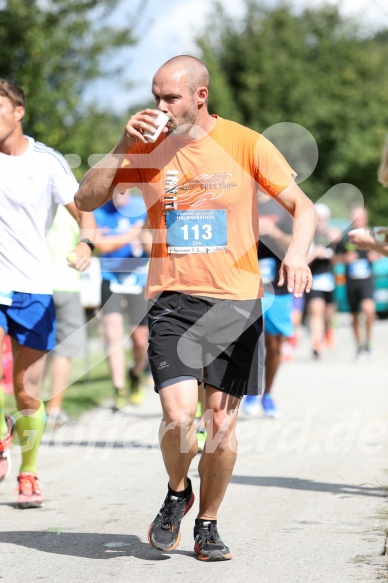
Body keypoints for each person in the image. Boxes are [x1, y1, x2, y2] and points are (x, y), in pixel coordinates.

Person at [74, 55, 315, 561]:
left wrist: (295, 252)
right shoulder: (146, 146)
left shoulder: (246, 142)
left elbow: (304, 207)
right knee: (178, 418)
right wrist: (123, 145)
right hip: (173, 299)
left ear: (200, 96)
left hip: (235, 301)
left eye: (171, 97)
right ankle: (178, 490)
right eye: (155, 95)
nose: (159, 105)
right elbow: (88, 198)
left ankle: (207, 522)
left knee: (222, 427)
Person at [0, 79, 94, 508]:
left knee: (26, 392)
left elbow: (83, 210)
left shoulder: (47, 161)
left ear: (19, 111)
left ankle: (28, 471)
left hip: (33, 287)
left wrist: (85, 243)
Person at [93, 189, 150, 409]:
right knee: (112, 330)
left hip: (138, 278)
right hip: (110, 277)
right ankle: (118, 388)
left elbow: (152, 244)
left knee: (140, 339)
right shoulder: (99, 212)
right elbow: (103, 245)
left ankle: (135, 374)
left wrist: (143, 239)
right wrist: (134, 233)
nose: (119, 196)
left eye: (123, 191)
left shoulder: (143, 207)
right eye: (114, 192)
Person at [242, 192, 294, 419]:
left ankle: (268, 395)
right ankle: (251, 391)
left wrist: (275, 232)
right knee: (251, 339)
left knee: (274, 343)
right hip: (246, 284)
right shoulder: (240, 203)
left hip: (278, 286)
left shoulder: (283, 209)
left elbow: (295, 247)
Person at [44, 205, 88, 427]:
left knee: (37, 348)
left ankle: (30, 409)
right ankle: (53, 411)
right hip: (67, 286)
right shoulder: (76, 210)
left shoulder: (37, 203)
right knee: (64, 350)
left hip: (37, 285)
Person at [336, 206, 377, 359]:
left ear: (365, 219)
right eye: (355, 217)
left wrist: (376, 256)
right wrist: (344, 259)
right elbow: (334, 259)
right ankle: (359, 346)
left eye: (360, 217)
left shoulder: (374, 233)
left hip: (366, 280)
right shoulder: (345, 237)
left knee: (369, 310)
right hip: (351, 282)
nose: (357, 220)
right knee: (354, 316)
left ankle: (368, 342)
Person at [305, 203, 340, 359]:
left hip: (330, 281)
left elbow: (342, 260)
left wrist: (334, 248)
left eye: (323, 218)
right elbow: (302, 261)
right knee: (316, 312)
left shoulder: (333, 235)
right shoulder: (307, 236)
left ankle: (328, 329)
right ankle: (316, 343)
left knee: (328, 315)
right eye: (318, 218)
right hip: (314, 281)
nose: (320, 221)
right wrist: (314, 253)